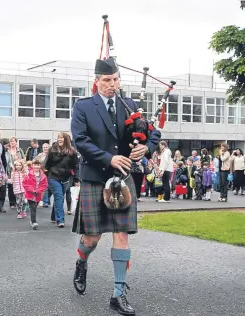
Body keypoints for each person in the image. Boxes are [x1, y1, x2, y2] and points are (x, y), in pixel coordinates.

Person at [70, 57, 161, 315]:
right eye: (107, 80)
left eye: (115, 80)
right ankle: (82, 260)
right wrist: (108, 157)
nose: (112, 84)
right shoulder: (83, 107)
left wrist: (147, 147)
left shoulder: (129, 105)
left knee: (121, 234)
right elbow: (80, 140)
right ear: (96, 82)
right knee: (92, 237)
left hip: (123, 179)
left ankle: (118, 294)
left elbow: (153, 132)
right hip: (95, 177)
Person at [44, 132, 79, 228]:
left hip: (66, 178)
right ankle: (60, 220)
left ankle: (53, 216)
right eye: (59, 138)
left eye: (62, 138)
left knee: (58, 197)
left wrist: (76, 178)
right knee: (59, 197)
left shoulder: (72, 152)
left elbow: (76, 166)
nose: (59, 139)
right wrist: (46, 175)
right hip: (53, 177)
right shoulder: (52, 150)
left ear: (66, 140)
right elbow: (46, 164)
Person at [22, 159, 48, 229]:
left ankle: (32, 220)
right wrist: (32, 190)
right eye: (35, 165)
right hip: (30, 194)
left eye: (38, 165)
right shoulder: (28, 174)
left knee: (35, 208)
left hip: (38, 195)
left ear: (40, 166)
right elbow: (25, 183)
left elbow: (44, 185)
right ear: (32, 165)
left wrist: (39, 190)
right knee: (33, 207)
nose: (36, 167)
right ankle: (34, 222)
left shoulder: (43, 176)